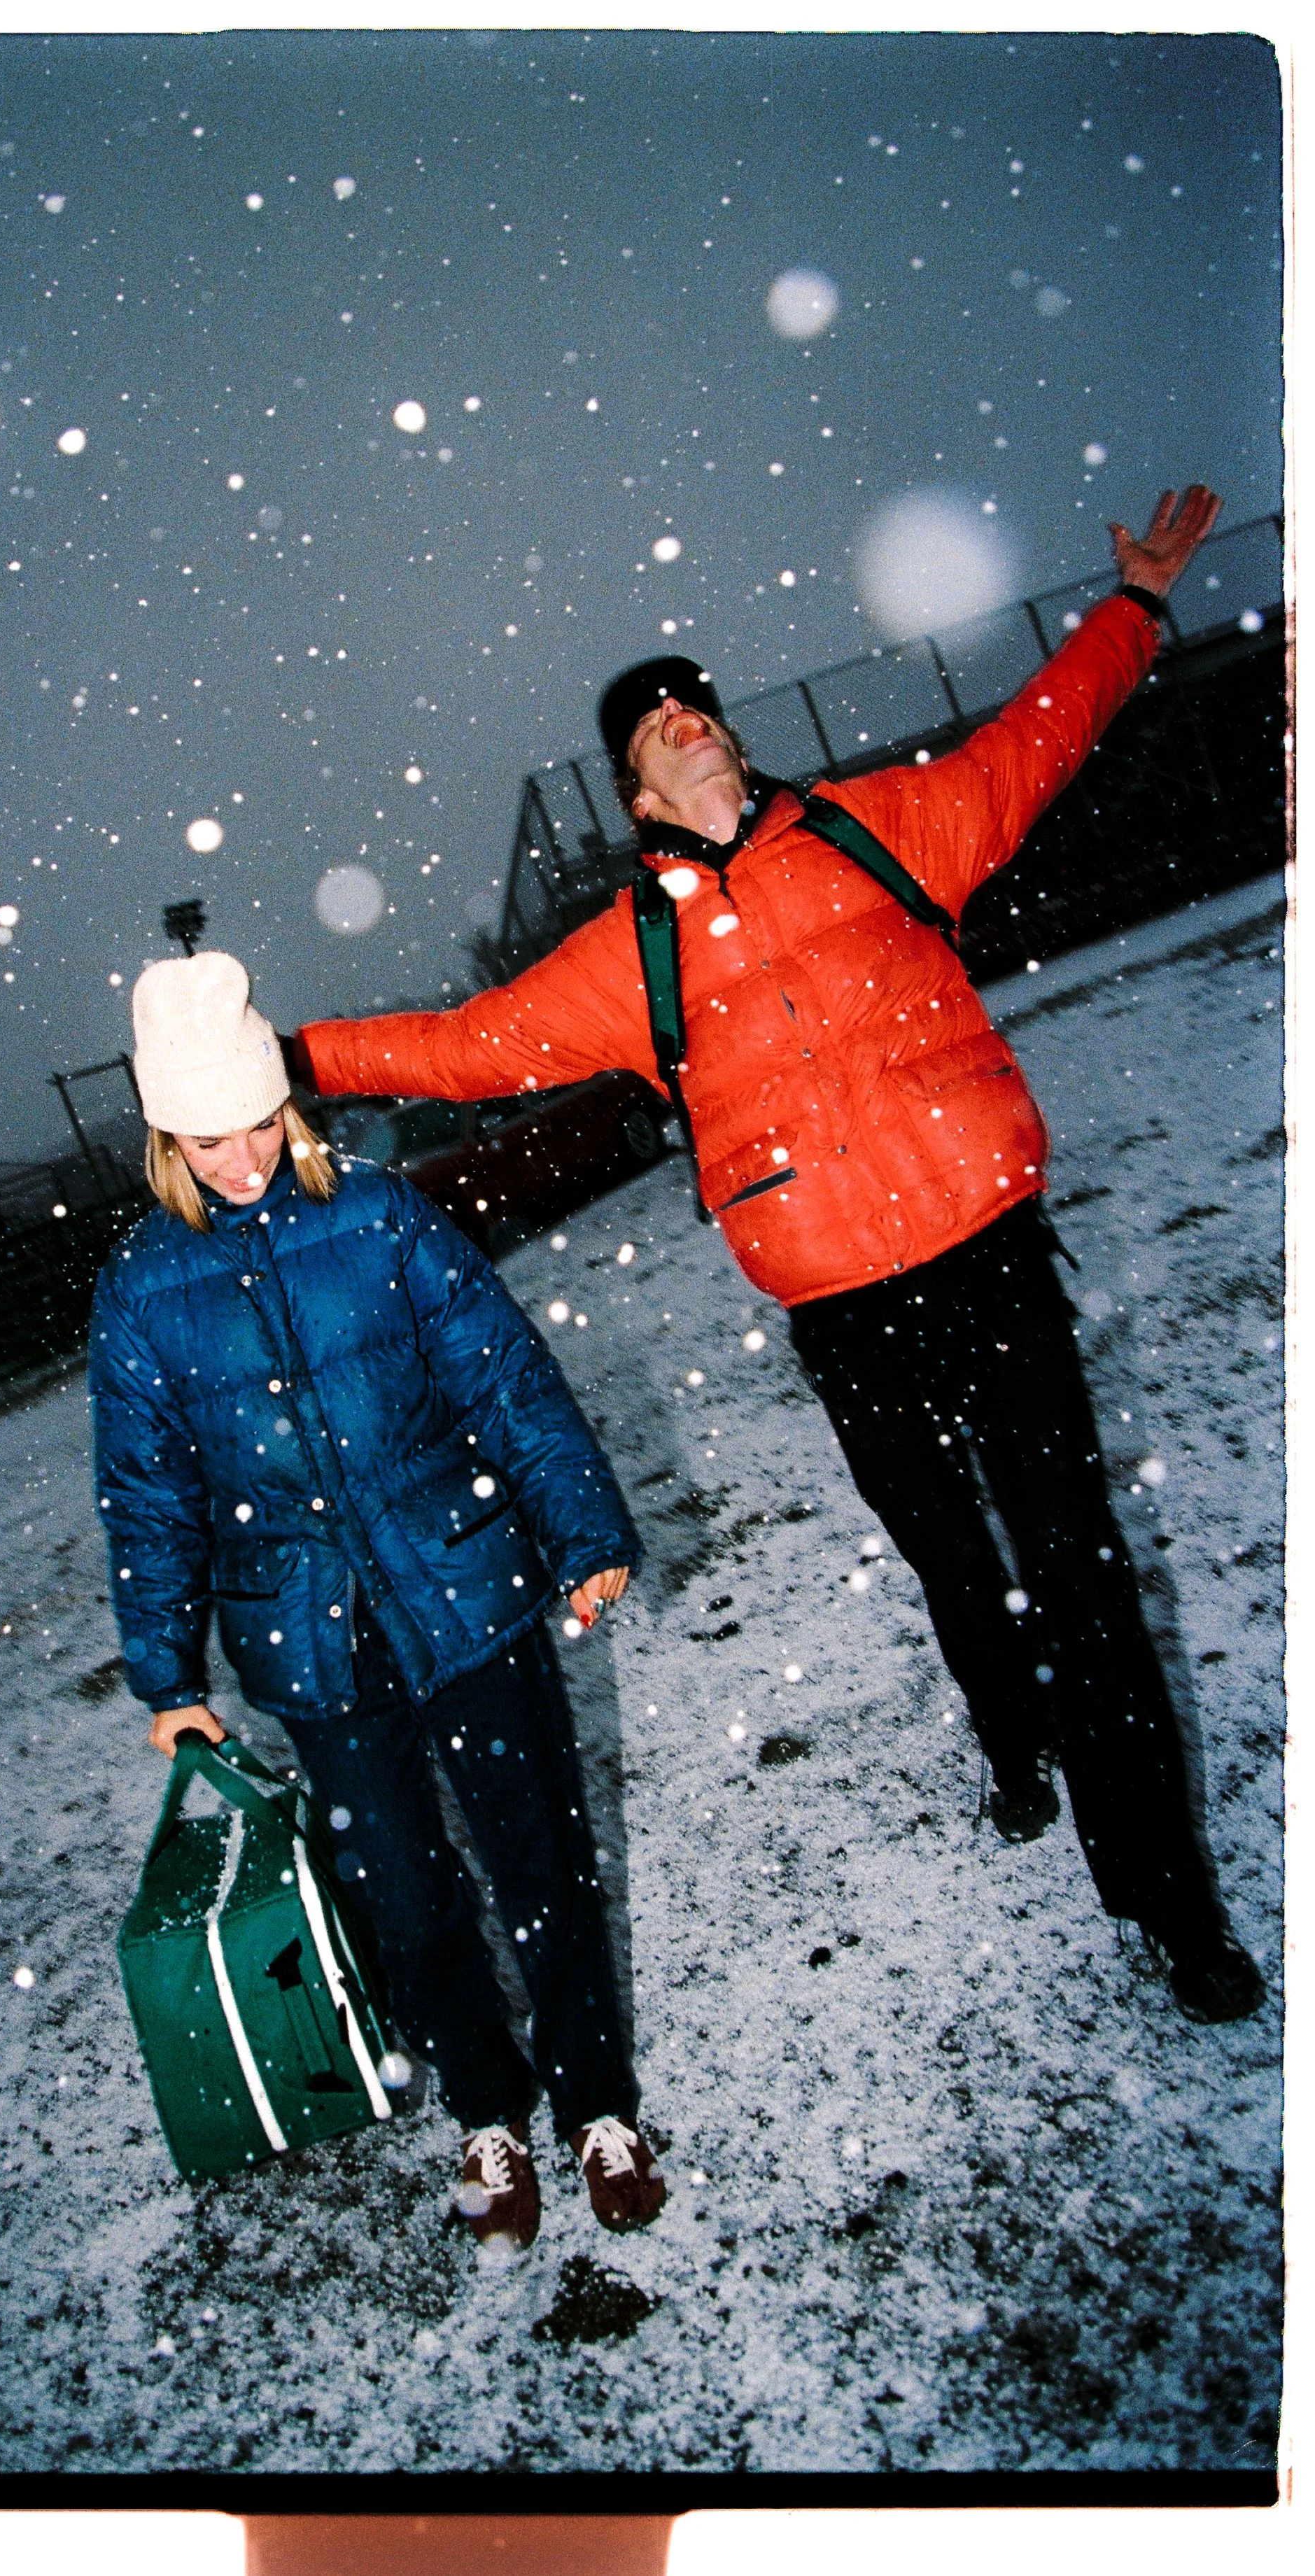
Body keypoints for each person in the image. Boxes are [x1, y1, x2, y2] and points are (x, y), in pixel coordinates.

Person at [286, 485, 1265, 2027]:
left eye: (696, 702)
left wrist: (1136, 606)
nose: (686, 718)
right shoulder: (631, 957)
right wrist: (290, 1056)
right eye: (654, 722)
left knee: (1076, 1564)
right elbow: (466, 1045)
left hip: (989, 1255)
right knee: (950, 1550)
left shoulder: (881, 827)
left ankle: (1167, 1899)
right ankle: (1012, 1732)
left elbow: (1039, 737)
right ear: (637, 790)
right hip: (845, 1309)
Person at [90, 950, 667, 2250]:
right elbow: (147, 1494)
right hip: (309, 1639)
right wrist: (168, 1676)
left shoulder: (381, 1216)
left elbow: (503, 1376)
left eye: (259, 1123)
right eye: (209, 1138)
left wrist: (580, 1523)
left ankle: (596, 2100)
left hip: (463, 1593)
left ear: (286, 1103)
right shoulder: (139, 1288)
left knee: (541, 1858)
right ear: (165, 1140)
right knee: (404, 1899)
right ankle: (486, 2108)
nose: (244, 1159)